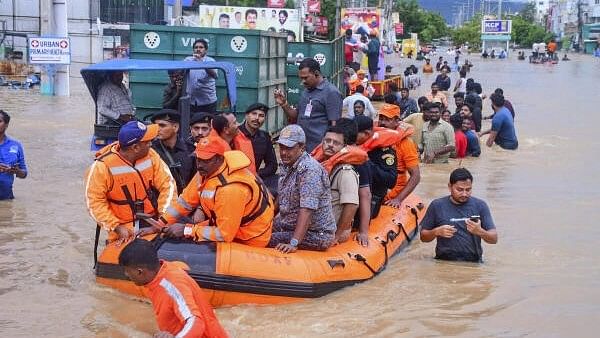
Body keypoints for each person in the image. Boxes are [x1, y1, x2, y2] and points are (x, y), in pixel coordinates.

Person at [155, 135, 274, 247]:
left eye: (205, 160)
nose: (199, 165)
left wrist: (186, 230)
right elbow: (184, 202)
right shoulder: (206, 171)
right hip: (228, 224)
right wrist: (160, 224)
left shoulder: (231, 189)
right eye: (198, 159)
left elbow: (224, 234)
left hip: (250, 236)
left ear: (219, 159)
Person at [85, 121, 177, 245]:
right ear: (135, 148)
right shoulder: (101, 167)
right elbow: (94, 203)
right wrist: (116, 227)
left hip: (152, 222)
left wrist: (162, 220)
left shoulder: (151, 155)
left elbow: (168, 185)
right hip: (122, 229)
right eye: (147, 142)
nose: (151, 144)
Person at [118, 239, 228, 338]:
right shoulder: (160, 272)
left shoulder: (171, 285)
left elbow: (196, 323)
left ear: (139, 271)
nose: (126, 275)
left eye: (127, 271)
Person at [268, 125, 336, 252]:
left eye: (289, 148)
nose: (283, 152)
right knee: (255, 229)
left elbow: (307, 209)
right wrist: (267, 218)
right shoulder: (286, 164)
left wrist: (294, 243)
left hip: (316, 234)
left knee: (263, 239)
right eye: (281, 147)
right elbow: (281, 196)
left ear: (302, 148)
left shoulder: (310, 170)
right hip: (288, 224)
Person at [419, 168, 498, 262]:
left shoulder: (480, 206)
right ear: (449, 187)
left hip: (473, 264)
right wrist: (436, 232)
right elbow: (423, 237)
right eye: (459, 190)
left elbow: (494, 239)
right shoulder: (437, 206)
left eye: (468, 190)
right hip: (443, 263)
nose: (464, 194)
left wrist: (480, 231)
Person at [311, 124, 368, 244]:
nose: (330, 145)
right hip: (318, 224)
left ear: (344, 147)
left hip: (332, 230)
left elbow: (352, 205)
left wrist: (336, 236)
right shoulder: (319, 165)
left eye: (336, 143)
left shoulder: (345, 172)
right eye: (327, 141)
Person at [274, 58, 342, 152]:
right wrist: (284, 104)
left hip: (319, 150)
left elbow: (335, 125)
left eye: (305, 78)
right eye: (301, 78)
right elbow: (295, 116)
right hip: (302, 148)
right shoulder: (306, 91)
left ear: (317, 73)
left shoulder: (331, 92)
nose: (303, 82)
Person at [377, 104, 421, 209]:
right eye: (381, 119)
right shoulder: (375, 138)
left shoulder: (406, 143)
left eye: (387, 119)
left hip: (393, 192)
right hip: (377, 186)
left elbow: (416, 176)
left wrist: (398, 199)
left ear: (397, 121)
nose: (382, 123)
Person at [355, 115, 398, 218]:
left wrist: (367, 163)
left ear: (367, 134)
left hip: (371, 198)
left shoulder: (385, 151)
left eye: (354, 134)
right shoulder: (351, 146)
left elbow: (391, 181)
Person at [151, 110, 195, 194]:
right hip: (162, 201)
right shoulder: (151, 151)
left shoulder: (190, 149)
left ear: (175, 127)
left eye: (162, 125)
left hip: (186, 201)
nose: (158, 129)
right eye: (155, 126)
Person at [238, 103, 278, 193]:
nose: (257, 118)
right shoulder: (235, 134)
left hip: (254, 179)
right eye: (254, 114)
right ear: (246, 116)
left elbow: (272, 165)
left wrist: (257, 174)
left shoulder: (264, 137)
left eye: (261, 116)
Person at [185, 39, 218, 115]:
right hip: (191, 102)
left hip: (208, 102)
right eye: (196, 47)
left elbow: (215, 75)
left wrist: (200, 61)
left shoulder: (211, 61)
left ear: (206, 50)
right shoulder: (188, 60)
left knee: (208, 124)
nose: (198, 49)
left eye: (201, 47)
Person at [0, 110, 27, 200]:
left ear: (6, 125)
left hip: (7, 199)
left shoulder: (16, 145)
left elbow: (24, 174)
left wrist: (17, 171)